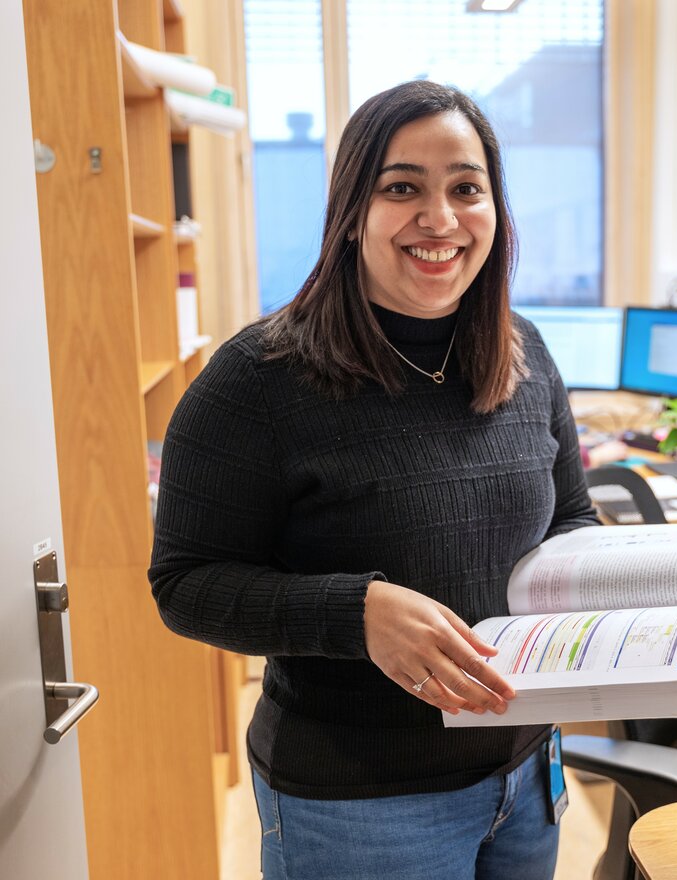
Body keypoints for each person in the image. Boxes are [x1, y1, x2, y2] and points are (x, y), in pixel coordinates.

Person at [149, 80, 599, 880]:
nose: (441, 219)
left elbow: (570, 516)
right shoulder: (256, 381)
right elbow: (184, 585)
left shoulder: (523, 353)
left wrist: (617, 591)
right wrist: (356, 612)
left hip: (528, 776)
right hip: (360, 806)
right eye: (403, 188)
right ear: (354, 210)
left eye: (467, 188)